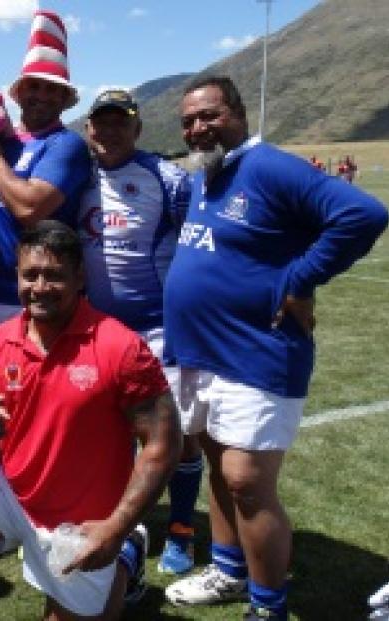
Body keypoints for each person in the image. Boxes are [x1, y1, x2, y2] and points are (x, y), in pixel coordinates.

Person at [163, 75, 388, 620]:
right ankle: (228, 569)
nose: (198, 128)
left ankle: (268, 606)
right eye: (189, 120)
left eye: (209, 116)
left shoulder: (268, 167)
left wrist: (298, 280)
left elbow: (364, 215)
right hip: (199, 352)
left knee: (246, 480)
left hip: (257, 349)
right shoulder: (205, 176)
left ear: (237, 113)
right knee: (218, 464)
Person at [0, 220, 182, 621]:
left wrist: (115, 527)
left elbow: (163, 444)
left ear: (80, 277)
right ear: (16, 276)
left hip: (84, 515)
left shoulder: (120, 347)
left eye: (54, 276)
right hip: (12, 488)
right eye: (30, 274)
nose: (40, 287)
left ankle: (127, 553)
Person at [78, 88, 201, 576]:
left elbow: (202, 242)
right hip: (98, 330)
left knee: (176, 434)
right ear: (88, 128)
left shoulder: (167, 178)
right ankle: (123, 525)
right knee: (110, 435)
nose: (109, 131)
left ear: (137, 128)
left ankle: (183, 531)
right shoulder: (76, 175)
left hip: (158, 327)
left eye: (119, 122)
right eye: (100, 122)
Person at [0, 10, 92, 332]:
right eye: (33, 87)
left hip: (48, 294)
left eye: (51, 89)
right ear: (20, 92)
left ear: (65, 99)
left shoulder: (65, 145)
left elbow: (30, 208)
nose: (41, 95)